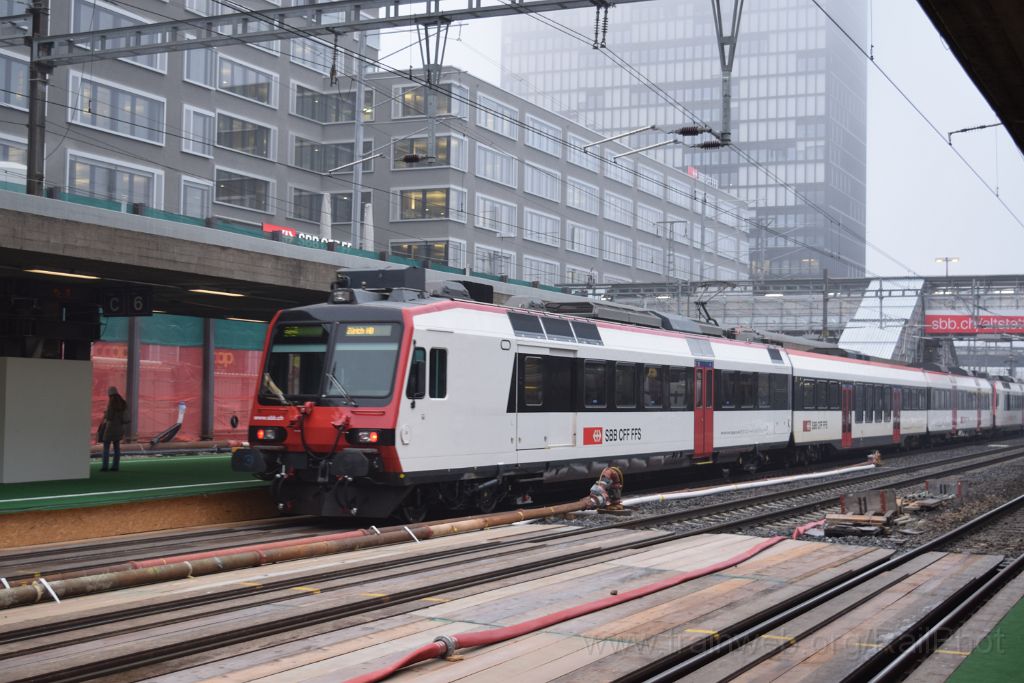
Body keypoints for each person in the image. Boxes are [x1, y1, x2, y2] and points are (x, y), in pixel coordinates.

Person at [100, 386, 129, 472]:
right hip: (120, 427)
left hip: (110, 428)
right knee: (117, 448)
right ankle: (115, 466)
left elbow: (109, 417)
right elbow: (125, 417)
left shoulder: (111, 403)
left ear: (109, 394)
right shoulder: (123, 403)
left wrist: (105, 413)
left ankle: (105, 466)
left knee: (106, 447)